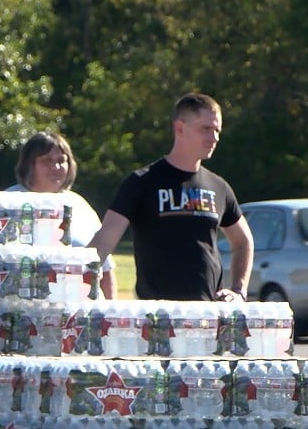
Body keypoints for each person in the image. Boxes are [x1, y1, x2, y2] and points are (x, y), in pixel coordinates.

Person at [89, 93, 253, 301]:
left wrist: (238, 291)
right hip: (158, 319)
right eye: (206, 129)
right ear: (180, 128)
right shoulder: (142, 182)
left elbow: (243, 242)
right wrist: (76, 278)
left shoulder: (218, 187)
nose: (214, 138)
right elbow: (104, 241)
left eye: (217, 130)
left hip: (209, 317)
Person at [7, 132, 117, 299]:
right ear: (29, 164)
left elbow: (105, 269)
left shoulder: (79, 205)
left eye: (61, 160)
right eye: (47, 161)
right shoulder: (9, 202)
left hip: (81, 314)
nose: (56, 167)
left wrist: (110, 312)